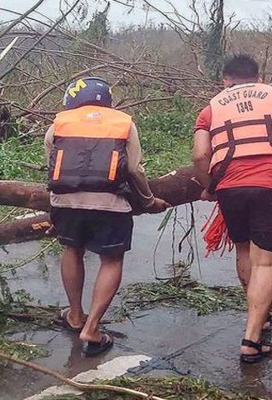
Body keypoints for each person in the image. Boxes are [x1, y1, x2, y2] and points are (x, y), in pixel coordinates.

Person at [192, 54, 272, 363]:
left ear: (225, 81)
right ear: (259, 78)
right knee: (266, 264)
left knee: (244, 250)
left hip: (230, 182)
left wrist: (209, 187)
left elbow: (200, 155)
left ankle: (260, 317)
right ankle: (252, 339)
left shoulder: (210, 108)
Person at [45, 77, 170, 356]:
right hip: (110, 203)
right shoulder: (124, 123)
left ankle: (75, 315)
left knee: (72, 250)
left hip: (66, 203)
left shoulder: (59, 124)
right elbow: (135, 170)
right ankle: (91, 328)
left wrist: (57, 207)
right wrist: (148, 201)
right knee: (111, 260)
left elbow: (51, 167)